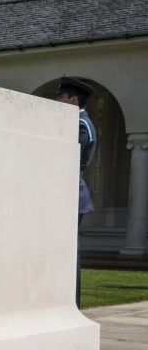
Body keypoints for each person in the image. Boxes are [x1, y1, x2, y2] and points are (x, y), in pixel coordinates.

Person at [56, 76, 97, 308]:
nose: (58, 100)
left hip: (71, 194)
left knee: (71, 254)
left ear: (73, 99)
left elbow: (72, 161)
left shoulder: (81, 125)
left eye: (61, 96)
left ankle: (73, 304)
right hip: (68, 194)